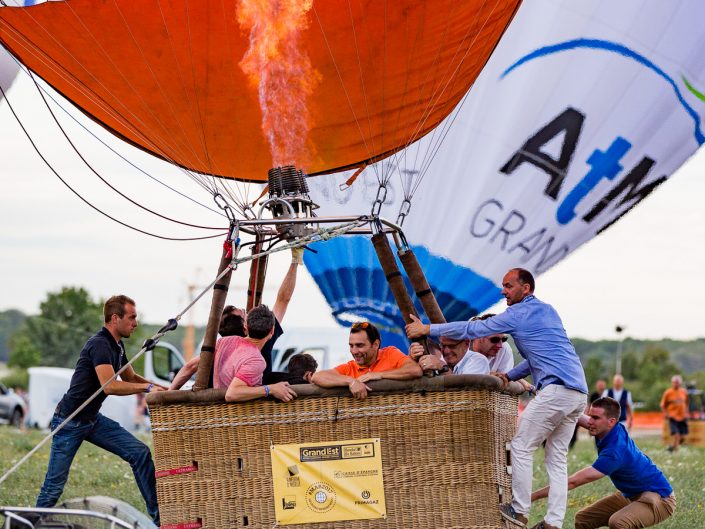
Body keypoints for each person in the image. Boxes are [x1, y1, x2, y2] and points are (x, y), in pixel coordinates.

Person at [406, 268, 587, 529]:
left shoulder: (518, 313)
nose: (503, 291)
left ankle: (519, 510)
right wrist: (510, 374)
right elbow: (539, 357)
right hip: (578, 392)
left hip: (556, 390)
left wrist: (427, 328)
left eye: (509, 286)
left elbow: (474, 328)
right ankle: (553, 522)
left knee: (521, 447)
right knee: (556, 459)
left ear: (526, 288)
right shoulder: (548, 311)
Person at [36, 295, 166, 526]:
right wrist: (146, 387)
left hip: (91, 420)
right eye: (132, 317)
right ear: (115, 318)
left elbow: (129, 377)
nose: (135, 323)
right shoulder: (100, 344)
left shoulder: (117, 345)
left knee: (140, 453)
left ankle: (161, 520)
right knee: (54, 486)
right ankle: (30, 523)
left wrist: (163, 388)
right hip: (70, 421)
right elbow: (110, 385)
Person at [532, 397, 675, 529]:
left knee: (619, 522)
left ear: (611, 421)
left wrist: (532, 496)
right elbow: (576, 417)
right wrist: (544, 397)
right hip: (630, 494)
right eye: (590, 416)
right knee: (583, 519)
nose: (590, 421)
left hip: (660, 499)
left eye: (595, 418)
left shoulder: (614, 452)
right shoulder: (610, 428)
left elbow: (572, 483)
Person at [169, 248, 302, 389]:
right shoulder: (263, 339)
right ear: (246, 327)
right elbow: (283, 300)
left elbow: (190, 366)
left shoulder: (221, 345)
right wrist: (295, 260)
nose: (249, 313)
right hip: (252, 402)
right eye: (245, 313)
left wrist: (169, 392)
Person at [311, 321, 422, 399]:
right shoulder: (349, 368)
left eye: (359, 345)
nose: (354, 351)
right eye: (351, 346)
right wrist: (351, 381)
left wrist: (379, 375)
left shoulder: (390, 353)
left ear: (375, 344)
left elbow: (415, 370)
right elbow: (317, 377)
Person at [215, 305, 297, 403]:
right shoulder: (256, 360)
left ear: (246, 326)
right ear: (272, 331)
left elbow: (192, 365)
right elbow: (231, 394)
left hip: (217, 409)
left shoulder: (224, 341)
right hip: (237, 415)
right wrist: (271, 389)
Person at [410, 334, 491, 375]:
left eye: (452, 346)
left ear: (466, 343)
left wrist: (443, 368)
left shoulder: (478, 361)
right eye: (443, 346)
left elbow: (465, 391)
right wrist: (413, 360)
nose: (446, 351)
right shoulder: (439, 361)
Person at [660, 375, 689, 452]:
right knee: (676, 435)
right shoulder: (668, 393)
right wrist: (666, 414)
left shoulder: (684, 392)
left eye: (678, 383)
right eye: (675, 383)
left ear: (680, 383)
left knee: (682, 437)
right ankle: (674, 451)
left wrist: (686, 412)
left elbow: (686, 403)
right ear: (672, 383)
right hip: (673, 417)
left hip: (683, 417)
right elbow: (662, 405)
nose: (676, 384)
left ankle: (672, 448)